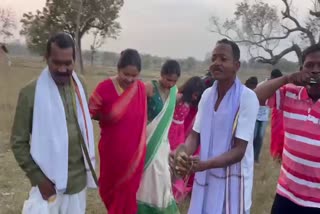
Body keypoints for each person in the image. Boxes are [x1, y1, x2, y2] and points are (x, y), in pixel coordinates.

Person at [11, 32, 96, 214]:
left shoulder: (80, 85)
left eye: (68, 63)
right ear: (46, 58)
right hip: (48, 185)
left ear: (74, 60)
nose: (63, 69)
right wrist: (38, 178)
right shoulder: (30, 93)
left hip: (77, 184)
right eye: (56, 62)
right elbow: (18, 142)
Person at [170, 39, 259, 214]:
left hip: (232, 180)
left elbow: (240, 150)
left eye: (223, 59)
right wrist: (182, 153)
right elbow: (195, 136)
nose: (216, 63)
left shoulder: (247, 98)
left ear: (236, 65)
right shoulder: (207, 95)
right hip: (206, 175)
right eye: (214, 58)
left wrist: (205, 164)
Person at [255, 44, 320, 214]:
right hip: (285, 195)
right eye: (309, 65)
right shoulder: (289, 93)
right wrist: (286, 78)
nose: (315, 71)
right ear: (301, 69)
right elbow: (254, 97)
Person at [89, 49, 146, 214]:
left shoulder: (141, 89)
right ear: (118, 69)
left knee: (128, 196)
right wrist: (107, 117)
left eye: (133, 75)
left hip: (134, 157)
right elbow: (89, 112)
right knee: (109, 190)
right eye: (125, 73)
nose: (129, 79)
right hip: (111, 152)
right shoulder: (105, 87)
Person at [137, 60, 181, 214]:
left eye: (174, 81)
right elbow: (135, 106)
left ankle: (160, 207)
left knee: (163, 175)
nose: (170, 84)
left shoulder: (174, 91)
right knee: (148, 175)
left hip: (162, 143)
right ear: (161, 75)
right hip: (147, 139)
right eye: (168, 79)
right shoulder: (149, 87)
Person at [168, 76, 206, 202]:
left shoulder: (190, 103)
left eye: (198, 95)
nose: (195, 98)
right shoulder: (178, 97)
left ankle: (172, 190)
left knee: (177, 158)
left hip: (180, 132)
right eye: (194, 94)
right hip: (171, 130)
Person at [267, 69, 285, 160]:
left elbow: (269, 104)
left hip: (278, 113)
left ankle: (275, 154)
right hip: (284, 113)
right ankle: (279, 155)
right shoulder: (285, 86)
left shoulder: (274, 87)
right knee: (281, 135)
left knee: (276, 135)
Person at [253, 77, 270, 163]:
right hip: (256, 113)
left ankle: (256, 157)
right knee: (254, 136)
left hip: (264, 115)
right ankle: (251, 156)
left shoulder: (275, 87)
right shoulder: (261, 85)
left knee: (260, 136)